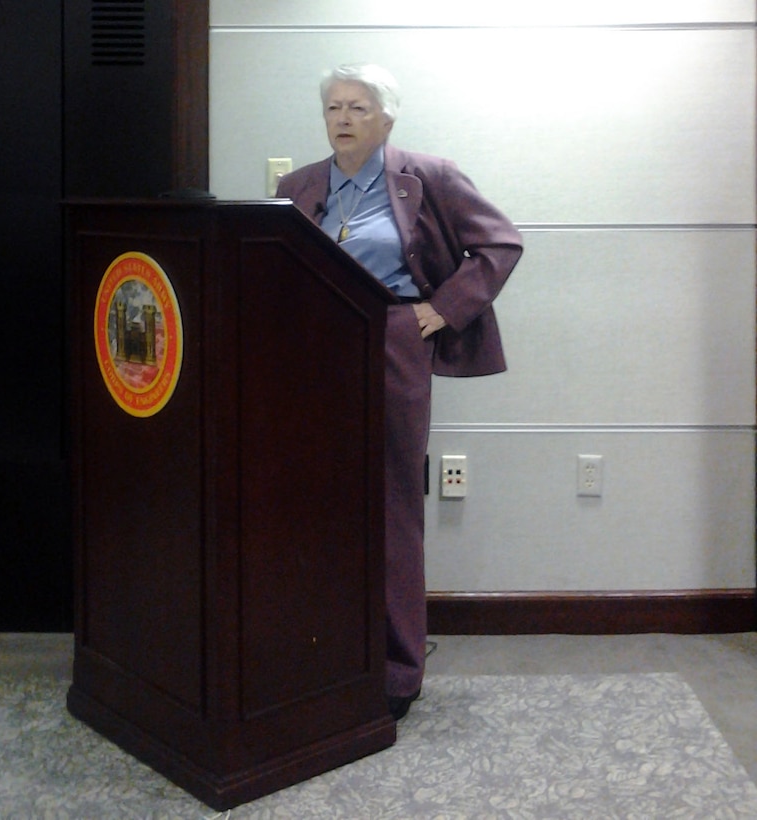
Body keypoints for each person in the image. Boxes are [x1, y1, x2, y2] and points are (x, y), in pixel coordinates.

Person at [276, 63, 522, 721]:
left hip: (390, 340)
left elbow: (498, 243)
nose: (343, 119)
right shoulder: (295, 186)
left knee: (389, 503)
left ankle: (395, 671)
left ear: (386, 117)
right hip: (312, 351)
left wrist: (441, 310)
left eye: (358, 107)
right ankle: (320, 651)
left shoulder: (428, 176)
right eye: (332, 107)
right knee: (313, 500)